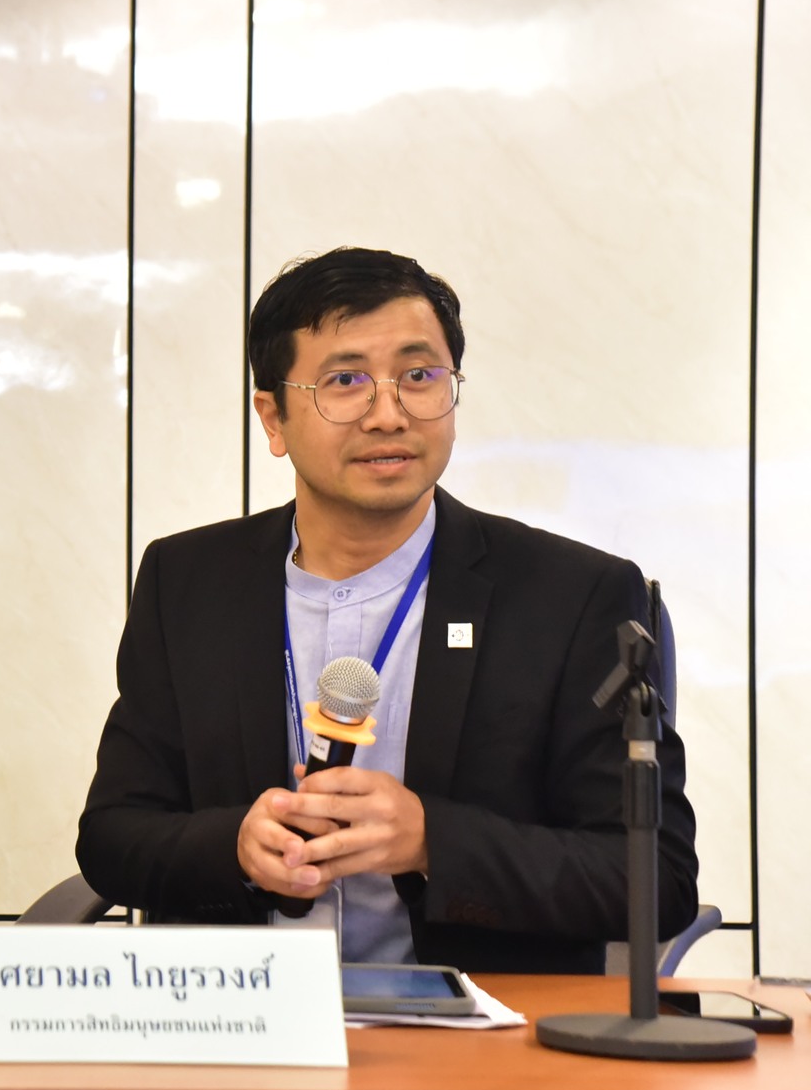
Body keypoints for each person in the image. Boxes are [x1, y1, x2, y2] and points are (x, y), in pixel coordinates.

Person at [77, 247, 697, 974]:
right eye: (345, 381)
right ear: (273, 418)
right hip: (245, 1014)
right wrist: (233, 845)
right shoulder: (187, 582)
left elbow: (656, 878)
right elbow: (113, 836)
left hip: (476, 1025)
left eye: (420, 376)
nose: (389, 414)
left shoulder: (572, 596)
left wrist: (432, 841)